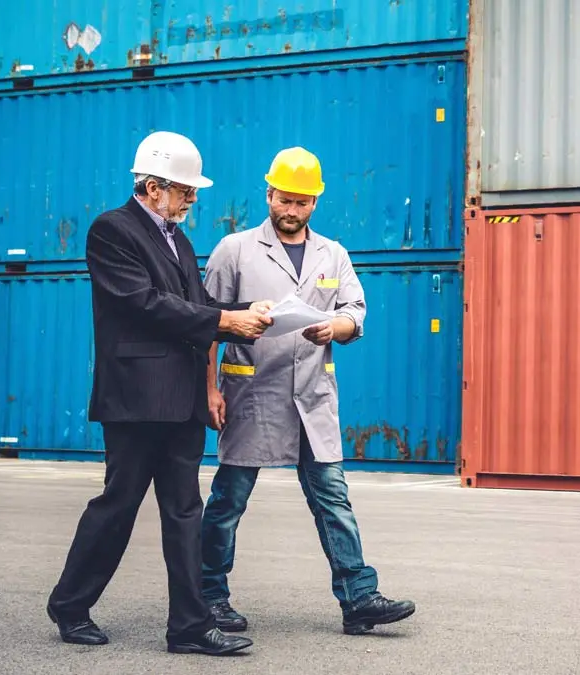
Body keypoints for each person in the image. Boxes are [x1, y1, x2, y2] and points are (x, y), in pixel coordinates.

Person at [46, 131, 275, 656]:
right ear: (152, 187)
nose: (193, 200)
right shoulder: (112, 231)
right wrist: (225, 319)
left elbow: (191, 303)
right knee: (119, 505)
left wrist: (247, 313)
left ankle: (189, 627)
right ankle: (70, 605)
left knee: (183, 512)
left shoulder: (179, 239)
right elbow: (144, 304)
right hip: (137, 398)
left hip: (182, 401)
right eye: (185, 191)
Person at [198, 146, 416, 636]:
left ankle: (359, 596)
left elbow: (355, 311)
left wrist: (335, 327)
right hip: (251, 395)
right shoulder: (233, 251)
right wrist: (209, 391)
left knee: (333, 499)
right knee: (229, 501)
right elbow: (205, 325)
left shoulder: (332, 253)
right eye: (283, 199)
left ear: (315, 202)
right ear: (269, 193)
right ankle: (209, 597)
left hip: (312, 398)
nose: (291, 210)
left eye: (301, 202)